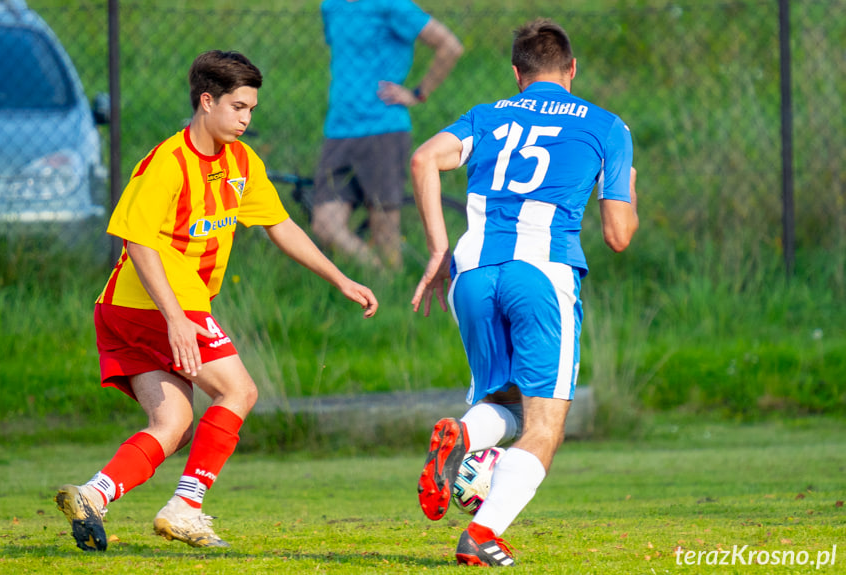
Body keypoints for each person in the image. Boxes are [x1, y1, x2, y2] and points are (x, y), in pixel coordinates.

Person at [54, 50, 378, 552]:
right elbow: (138, 242)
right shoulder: (167, 162)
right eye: (238, 107)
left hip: (128, 311)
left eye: (252, 109)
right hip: (154, 305)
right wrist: (177, 318)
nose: (247, 119)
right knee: (239, 391)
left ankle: (94, 494)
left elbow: (280, 225)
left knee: (174, 424)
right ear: (207, 102)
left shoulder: (240, 163)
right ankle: (185, 507)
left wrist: (339, 278)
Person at [410, 19, 638, 567]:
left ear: (517, 75)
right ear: (572, 70)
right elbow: (618, 236)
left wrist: (439, 251)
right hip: (540, 275)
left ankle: (462, 434)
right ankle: (482, 533)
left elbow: (422, 159)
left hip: (473, 270)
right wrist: (625, 187)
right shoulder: (606, 126)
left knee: (505, 401)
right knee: (545, 426)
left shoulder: (488, 116)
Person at [311, 0, 463, 269]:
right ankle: (378, 279)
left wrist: (418, 93)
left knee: (386, 234)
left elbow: (450, 46)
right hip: (337, 130)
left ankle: (391, 294)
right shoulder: (330, 6)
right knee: (324, 225)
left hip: (383, 130)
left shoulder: (392, 5)